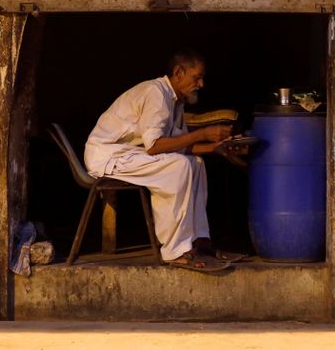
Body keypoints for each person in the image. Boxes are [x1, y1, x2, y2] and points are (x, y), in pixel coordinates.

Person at [84, 48, 244, 272]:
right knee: (178, 167)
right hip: (109, 155)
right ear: (178, 73)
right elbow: (155, 147)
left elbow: (179, 144)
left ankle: (200, 242)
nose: (201, 84)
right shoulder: (156, 94)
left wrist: (215, 148)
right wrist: (202, 133)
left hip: (131, 153)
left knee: (196, 164)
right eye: (196, 77)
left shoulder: (175, 101)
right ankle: (175, 251)